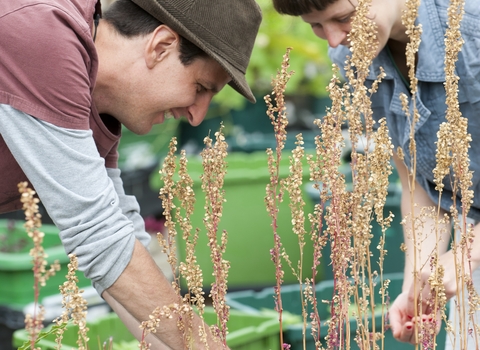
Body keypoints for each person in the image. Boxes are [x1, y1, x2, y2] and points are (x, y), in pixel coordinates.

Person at [0, 0, 261, 348]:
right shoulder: (41, 33)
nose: (197, 116)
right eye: (201, 88)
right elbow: (98, 235)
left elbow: (118, 245)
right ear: (161, 46)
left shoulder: (95, 101)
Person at [271, 0, 480, 348]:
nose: (334, 40)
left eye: (343, 18)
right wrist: (420, 283)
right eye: (316, 26)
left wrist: (467, 254)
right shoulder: (355, 57)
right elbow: (418, 176)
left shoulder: (472, 29)